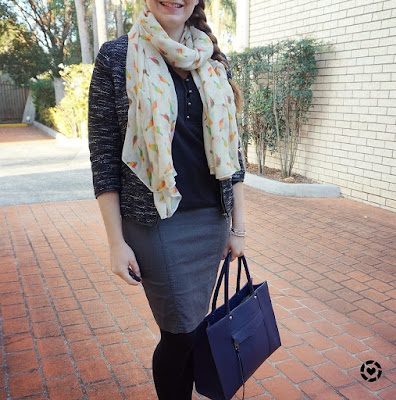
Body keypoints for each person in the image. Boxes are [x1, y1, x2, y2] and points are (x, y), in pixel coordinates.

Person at [88, 0, 246, 398]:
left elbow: (234, 152)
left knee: (192, 329)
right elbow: (104, 155)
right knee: (180, 334)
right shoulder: (117, 56)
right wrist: (115, 242)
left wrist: (238, 227)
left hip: (211, 220)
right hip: (156, 224)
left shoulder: (211, 58)